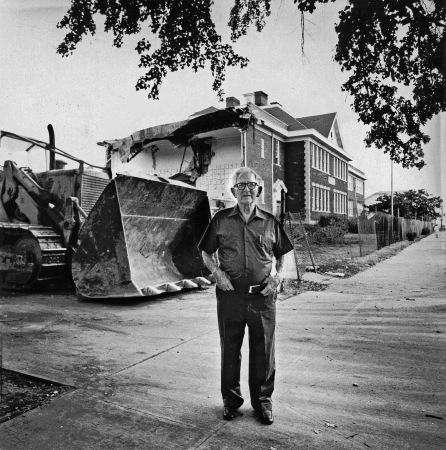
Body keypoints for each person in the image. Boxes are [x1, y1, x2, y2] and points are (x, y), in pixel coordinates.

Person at [198, 167, 293, 425]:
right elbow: (206, 253)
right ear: (233, 192)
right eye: (240, 186)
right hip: (231, 297)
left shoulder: (270, 221)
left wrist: (278, 276)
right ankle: (231, 402)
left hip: (263, 297)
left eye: (251, 185)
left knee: (264, 351)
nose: (246, 190)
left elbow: (282, 252)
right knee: (230, 349)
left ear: (259, 190)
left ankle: (262, 402)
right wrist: (218, 274)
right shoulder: (220, 220)